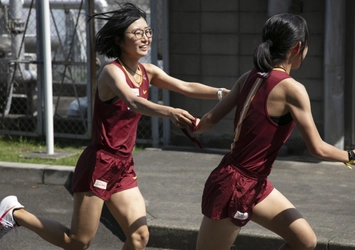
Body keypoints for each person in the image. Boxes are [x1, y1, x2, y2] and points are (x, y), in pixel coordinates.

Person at [0, 3, 229, 250]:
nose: (146, 38)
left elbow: (185, 87)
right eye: (137, 33)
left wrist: (226, 93)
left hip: (123, 165)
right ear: (120, 40)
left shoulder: (147, 71)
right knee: (78, 241)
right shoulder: (111, 72)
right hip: (100, 163)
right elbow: (133, 101)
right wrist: (169, 111)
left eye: (147, 31)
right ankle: (16, 213)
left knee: (139, 236)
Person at [193, 13, 355, 250]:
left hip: (255, 183)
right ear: (298, 47)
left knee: (304, 241)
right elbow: (317, 148)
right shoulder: (292, 89)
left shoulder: (249, 77)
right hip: (233, 185)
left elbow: (207, 121)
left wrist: (190, 123)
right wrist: (351, 156)